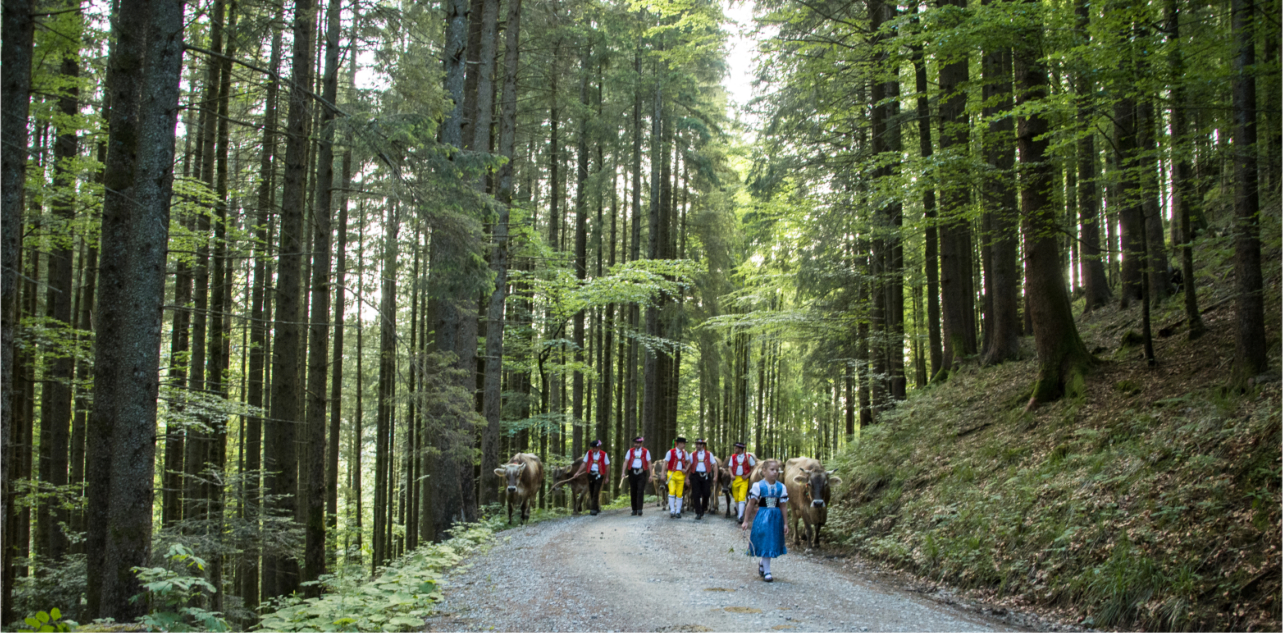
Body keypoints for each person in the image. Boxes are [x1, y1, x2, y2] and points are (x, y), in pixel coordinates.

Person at [740, 459, 789, 582]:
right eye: (772, 470)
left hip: (776, 518)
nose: (775, 472)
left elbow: (783, 506)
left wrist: (785, 523)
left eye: (777, 470)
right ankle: (767, 571)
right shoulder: (758, 486)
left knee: (771, 541)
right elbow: (751, 504)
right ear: (764, 471)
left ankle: (763, 563)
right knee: (766, 541)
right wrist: (745, 521)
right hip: (763, 516)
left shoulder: (781, 487)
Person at [575, 439, 610, 516]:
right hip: (590, 475)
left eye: (595, 448)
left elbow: (607, 466)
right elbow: (584, 464)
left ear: (598, 447)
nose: (593, 449)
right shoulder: (589, 453)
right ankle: (596, 507)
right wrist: (578, 472)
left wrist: (607, 477)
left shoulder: (604, 454)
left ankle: (593, 509)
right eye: (592, 447)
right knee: (591, 491)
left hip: (599, 475)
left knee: (596, 492)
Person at [619, 436, 652, 516]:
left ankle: (639, 509)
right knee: (633, 491)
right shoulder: (630, 451)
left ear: (641, 443)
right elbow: (626, 462)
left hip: (642, 472)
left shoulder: (646, 451)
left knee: (640, 490)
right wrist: (623, 472)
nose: (636, 444)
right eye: (635, 443)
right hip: (632, 472)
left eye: (638, 443)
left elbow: (649, 463)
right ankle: (634, 509)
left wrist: (651, 475)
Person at [686, 439, 717, 520]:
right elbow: (689, 467)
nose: (697, 445)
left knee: (706, 493)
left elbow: (714, 465)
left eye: (698, 444)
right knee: (696, 494)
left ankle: (703, 507)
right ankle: (698, 512)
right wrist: (687, 478)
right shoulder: (692, 454)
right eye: (696, 444)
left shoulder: (709, 454)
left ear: (703, 445)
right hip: (695, 475)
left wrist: (715, 476)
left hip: (706, 475)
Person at [725, 442, 757, 521]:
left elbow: (753, 467)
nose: (735, 449)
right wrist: (731, 475)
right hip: (735, 479)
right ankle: (740, 513)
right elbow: (729, 467)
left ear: (740, 449)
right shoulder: (733, 457)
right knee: (736, 498)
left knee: (741, 497)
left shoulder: (748, 457)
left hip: (744, 479)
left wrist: (747, 475)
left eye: (736, 448)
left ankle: (740, 516)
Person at [664, 437, 691, 518]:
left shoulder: (685, 453)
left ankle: (678, 511)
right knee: (672, 491)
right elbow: (665, 463)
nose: (684, 445)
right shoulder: (670, 452)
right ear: (679, 443)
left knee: (679, 493)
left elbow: (689, 463)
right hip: (671, 473)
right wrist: (662, 474)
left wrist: (686, 469)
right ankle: (672, 511)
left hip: (681, 475)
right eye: (683, 443)